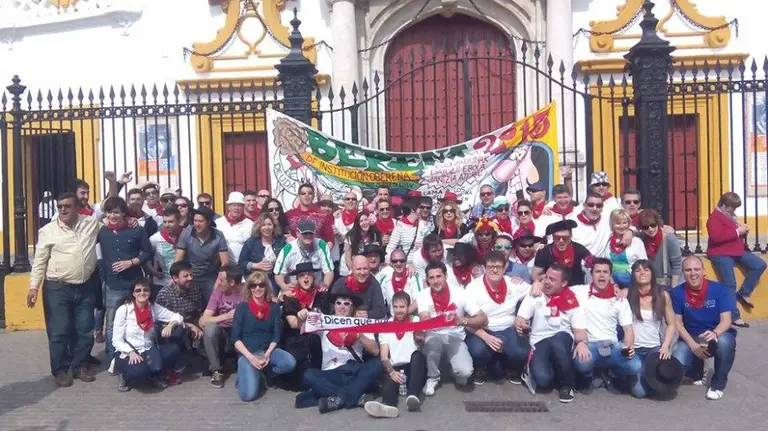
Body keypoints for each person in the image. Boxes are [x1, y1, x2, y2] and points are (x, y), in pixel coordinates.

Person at [28, 192, 102, 386]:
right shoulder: (48, 231)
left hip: (85, 286)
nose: (62, 210)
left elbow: (111, 215)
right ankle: (60, 370)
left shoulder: (90, 223)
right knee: (59, 331)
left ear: (76, 207)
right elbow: (40, 261)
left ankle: (80, 366)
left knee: (85, 330)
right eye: (60, 207)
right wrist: (34, 287)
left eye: (67, 206)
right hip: (57, 289)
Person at [296, 291, 381, 414]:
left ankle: (337, 399)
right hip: (331, 373)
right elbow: (302, 327)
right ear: (334, 306)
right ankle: (354, 398)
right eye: (338, 303)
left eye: (347, 303)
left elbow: (375, 351)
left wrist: (360, 335)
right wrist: (301, 317)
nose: (342, 306)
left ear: (352, 308)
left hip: (354, 371)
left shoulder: (361, 323)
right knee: (309, 375)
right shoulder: (324, 322)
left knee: (377, 364)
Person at [515, 264, 588, 403]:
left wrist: (582, 343)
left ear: (564, 283)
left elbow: (579, 330)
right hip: (539, 341)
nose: (547, 282)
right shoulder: (535, 294)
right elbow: (520, 319)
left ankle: (567, 385)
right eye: (546, 277)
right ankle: (535, 370)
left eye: (552, 279)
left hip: (562, 338)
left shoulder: (572, 299)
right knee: (543, 381)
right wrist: (520, 324)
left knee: (558, 341)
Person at [571, 259, 643, 397]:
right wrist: (538, 283)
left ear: (610, 276)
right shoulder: (580, 291)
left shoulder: (619, 298)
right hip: (589, 344)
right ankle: (588, 376)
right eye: (598, 272)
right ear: (591, 274)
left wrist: (628, 347)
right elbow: (558, 288)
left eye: (605, 272)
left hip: (612, 345)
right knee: (581, 362)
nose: (602, 275)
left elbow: (628, 329)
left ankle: (613, 375)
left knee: (636, 366)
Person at [671, 256, 737, 401]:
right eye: (688, 270)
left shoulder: (720, 290)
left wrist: (715, 333)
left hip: (716, 334)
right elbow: (678, 323)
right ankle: (697, 371)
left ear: (703, 271)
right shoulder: (676, 293)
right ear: (683, 272)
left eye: (696, 269)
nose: (693, 273)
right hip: (692, 336)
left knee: (726, 343)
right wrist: (693, 346)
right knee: (678, 362)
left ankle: (718, 384)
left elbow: (726, 320)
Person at [417, 262, 488, 395]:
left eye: (439, 276)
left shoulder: (460, 293)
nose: (435, 281)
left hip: (455, 336)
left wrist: (463, 320)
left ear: (446, 276)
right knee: (432, 340)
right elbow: (424, 319)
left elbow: (483, 318)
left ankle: (451, 368)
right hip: (434, 334)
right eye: (431, 278)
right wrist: (440, 320)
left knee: (465, 374)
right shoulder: (423, 294)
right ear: (427, 279)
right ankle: (432, 377)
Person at [464, 251, 534, 385]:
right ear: (484, 268)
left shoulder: (514, 283)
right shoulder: (473, 288)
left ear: (505, 267)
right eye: (490, 267)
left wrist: (522, 315)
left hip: (508, 328)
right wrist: (486, 337)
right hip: (482, 330)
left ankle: (511, 367)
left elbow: (535, 293)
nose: (494, 270)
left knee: (521, 352)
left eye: (498, 267)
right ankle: (481, 367)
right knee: (477, 351)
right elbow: (466, 322)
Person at [99, 196, 153, 364]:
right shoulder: (101, 230)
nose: (113, 216)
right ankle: (112, 356)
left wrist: (130, 262)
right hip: (113, 284)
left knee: (138, 318)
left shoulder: (136, 229)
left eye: (116, 212)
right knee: (111, 322)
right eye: (109, 212)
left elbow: (147, 252)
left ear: (123, 212)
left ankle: (142, 349)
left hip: (134, 284)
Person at [231, 271, 297, 401]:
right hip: (248, 353)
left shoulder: (274, 307)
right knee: (249, 396)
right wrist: (251, 357)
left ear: (266, 286)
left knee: (290, 362)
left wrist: (267, 354)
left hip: (268, 351)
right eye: (253, 286)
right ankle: (246, 376)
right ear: (249, 288)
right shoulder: (242, 308)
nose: (257, 288)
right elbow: (235, 339)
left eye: (261, 285)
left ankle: (266, 374)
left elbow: (276, 336)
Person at [112, 278, 186, 392]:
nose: (142, 293)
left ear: (150, 292)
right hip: (128, 352)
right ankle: (125, 376)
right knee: (140, 371)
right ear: (133, 293)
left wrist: (170, 325)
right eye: (138, 290)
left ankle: (154, 372)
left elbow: (178, 317)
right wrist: (130, 352)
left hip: (148, 349)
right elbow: (116, 340)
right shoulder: (124, 310)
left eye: (146, 290)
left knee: (174, 350)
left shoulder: (153, 308)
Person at [364, 291, 427, 418]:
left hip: (413, 368)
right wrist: (391, 371)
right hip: (396, 368)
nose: (398, 311)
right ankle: (387, 406)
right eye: (396, 307)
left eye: (402, 307)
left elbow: (421, 339)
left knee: (417, 355)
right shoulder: (387, 327)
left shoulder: (415, 320)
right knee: (389, 380)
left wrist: (418, 335)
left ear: (408, 307)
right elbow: (384, 356)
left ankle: (413, 396)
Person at [706, 192, 765, 326]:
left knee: (759, 265)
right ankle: (733, 315)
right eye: (733, 207)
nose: (734, 210)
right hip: (720, 253)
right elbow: (717, 237)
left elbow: (732, 233)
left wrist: (742, 231)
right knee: (729, 283)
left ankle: (744, 292)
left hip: (736, 250)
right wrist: (738, 232)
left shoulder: (730, 216)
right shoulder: (714, 218)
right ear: (725, 206)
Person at [626, 260, 677, 398]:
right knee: (640, 393)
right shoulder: (627, 294)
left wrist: (665, 346)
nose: (642, 273)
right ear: (633, 275)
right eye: (638, 270)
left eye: (646, 270)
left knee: (657, 383)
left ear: (652, 274)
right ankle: (621, 376)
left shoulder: (662, 295)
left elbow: (672, 324)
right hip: (633, 349)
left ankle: (643, 375)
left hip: (654, 348)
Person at [280, 262, 329, 391]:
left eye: (309, 275)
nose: (306, 278)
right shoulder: (290, 297)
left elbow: (326, 318)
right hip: (296, 338)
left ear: (313, 277)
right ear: (297, 279)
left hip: (316, 337)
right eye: (302, 275)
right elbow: (293, 324)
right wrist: (302, 319)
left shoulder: (321, 295)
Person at [200, 264, 246, 389]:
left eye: (221, 280)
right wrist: (227, 316)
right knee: (210, 329)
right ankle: (216, 371)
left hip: (241, 330)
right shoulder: (218, 292)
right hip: (223, 332)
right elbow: (205, 319)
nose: (218, 282)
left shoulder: (247, 292)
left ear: (231, 282)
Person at [175, 206, 230, 301]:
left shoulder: (218, 236)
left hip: (209, 275)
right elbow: (178, 259)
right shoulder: (187, 233)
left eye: (200, 221)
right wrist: (177, 279)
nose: (197, 224)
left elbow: (225, 263)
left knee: (214, 300)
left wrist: (218, 283)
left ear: (208, 222)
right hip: (190, 274)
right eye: (195, 221)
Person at [273, 219, 335, 294]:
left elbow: (329, 270)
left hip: (316, 288)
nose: (308, 236)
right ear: (297, 233)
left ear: (314, 233)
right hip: (294, 288)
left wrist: (325, 285)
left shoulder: (321, 245)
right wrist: (284, 286)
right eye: (305, 233)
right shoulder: (288, 248)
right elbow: (278, 273)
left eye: (310, 233)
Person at [532, 220, 592, 285]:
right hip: (552, 288)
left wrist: (590, 261)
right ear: (553, 237)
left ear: (571, 236)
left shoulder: (578, 249)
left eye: (565, 238)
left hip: (576, 288)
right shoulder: (544, 252)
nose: (561, 241)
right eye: (557, 238)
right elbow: (535, 277)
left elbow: (592, 262)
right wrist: (552, 276)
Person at [239, 213, 286, 288]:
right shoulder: (251, 242)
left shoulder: (280, 241)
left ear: (274, 226)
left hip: (275, 278)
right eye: (263, 225)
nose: (267, 228)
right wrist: (256, 265)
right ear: (258, 227)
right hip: (255, 278)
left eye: (269, 224)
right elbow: (241, 263)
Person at [637, 209, 682, 287]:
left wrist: (674, 289)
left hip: (665, 284)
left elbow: (677, 266)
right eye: (645, 227)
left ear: (658, 223)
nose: (650, 229)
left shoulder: (669, 239)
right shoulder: (640, 238)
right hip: (646, 284)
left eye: (653, 225)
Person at [604, 209, 647, 288]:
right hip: (612, 283)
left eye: (624, 223)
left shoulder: (637, 242)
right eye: (618, 223)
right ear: (612, 224)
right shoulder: (607, 241)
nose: (621, 226)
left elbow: (644, 264)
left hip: (632, 283)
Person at [148, 207, 184, 300]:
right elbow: (145, 256)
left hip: (182, 284)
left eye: (171, 222)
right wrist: (151, 269)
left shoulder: (187, 235)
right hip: (161, 284)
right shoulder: (155, 239)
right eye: (165, 222)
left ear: (179, 221)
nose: (167, 225)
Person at [217, 191, 255, 263]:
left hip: (243, 266)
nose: (237, 208)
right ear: (229, 207)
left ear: (243, 207)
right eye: (234, 205)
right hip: (223, 267)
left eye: (239, 205)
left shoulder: (250, 224)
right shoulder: (219, 223)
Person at [386, 197, 427, 264]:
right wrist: (388, 265)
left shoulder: (422, 225)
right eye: (419, 207)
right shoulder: (399, 228)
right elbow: (390, 249)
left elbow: (429, 244)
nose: (421, 210)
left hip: (421, 264)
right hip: (405, 265)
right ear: (412, 210)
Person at [342, 211, 382, 277]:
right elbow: (347, 258)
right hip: (349, 267)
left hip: (363, 267)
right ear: (357, 224)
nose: (364, 223)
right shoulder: (351, 236)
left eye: (366, 220)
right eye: (361, 221)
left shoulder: (373, 234)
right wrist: (353, 271)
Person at [572, 192, 612, 257]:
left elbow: (625, 224)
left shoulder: (607, 220)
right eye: (591, 205)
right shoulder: (572, 223)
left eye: (599, 206)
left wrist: (629, 231)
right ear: (584, 206)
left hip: (600, 265)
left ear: (602, 208)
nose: (594, 209)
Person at [335, 190, 360, 275]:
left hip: (357, 256)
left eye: (353, 199)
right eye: (348, 199)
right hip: (340, 257)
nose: (350, 201)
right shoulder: (336, 218)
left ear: (357, 202)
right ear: (344, 202)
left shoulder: (362, 217)